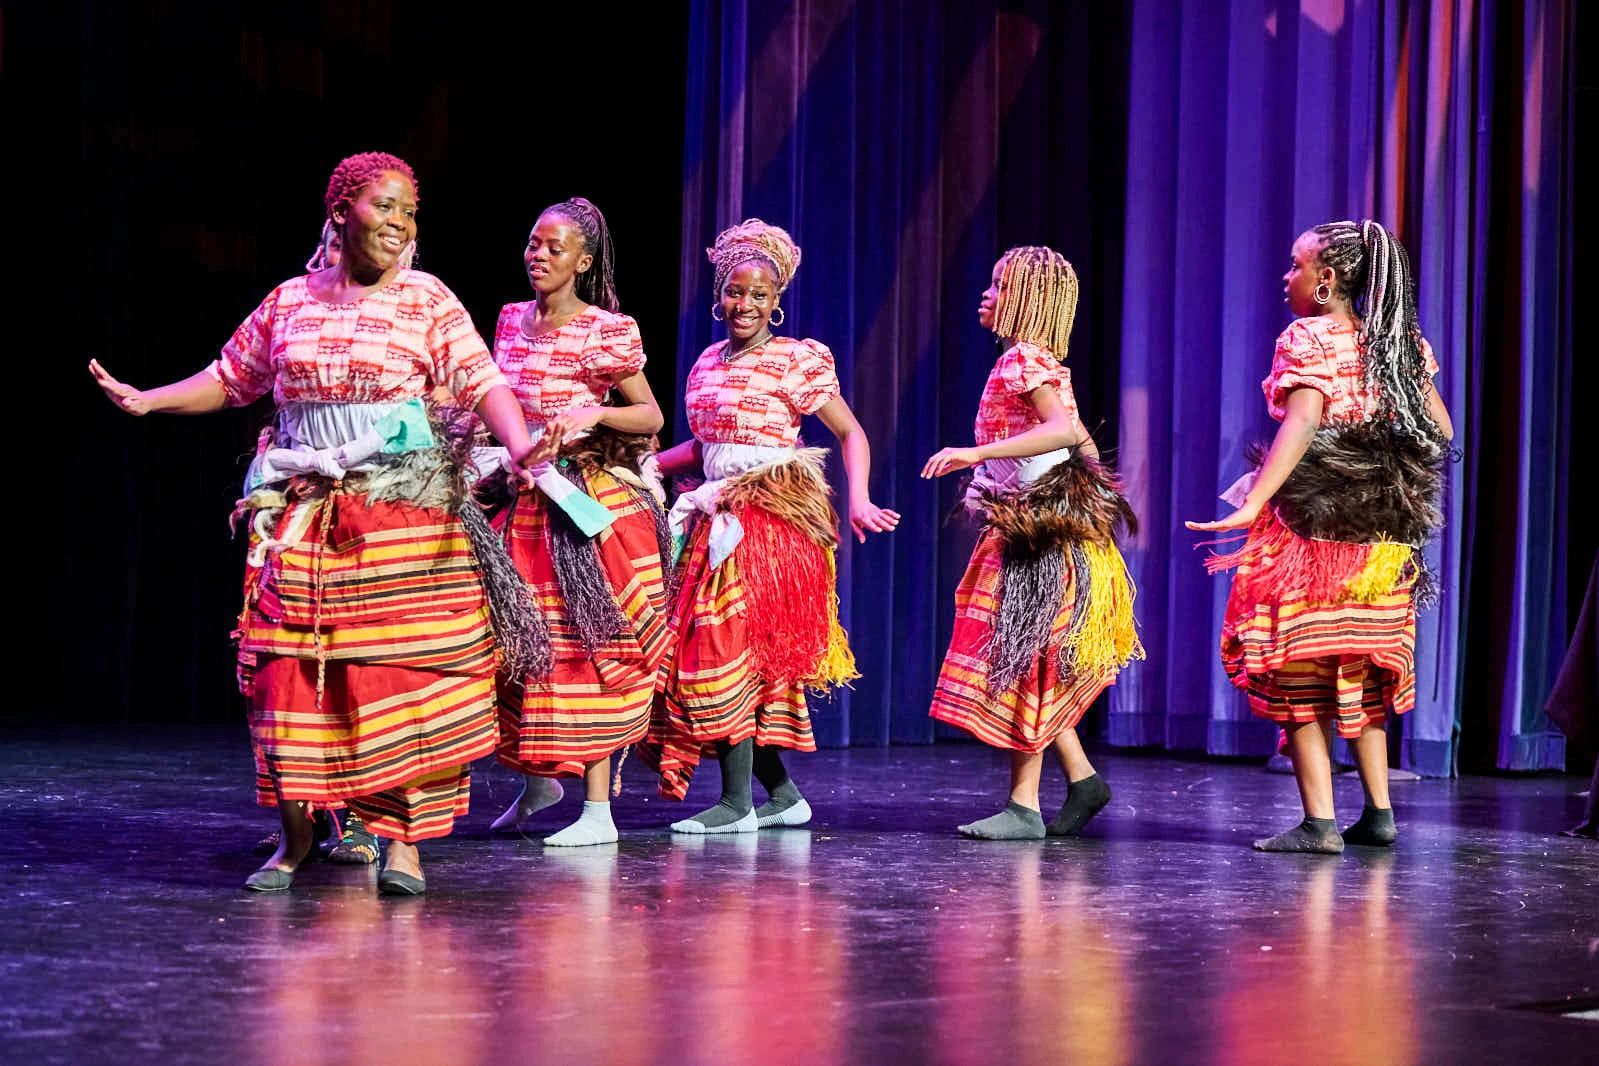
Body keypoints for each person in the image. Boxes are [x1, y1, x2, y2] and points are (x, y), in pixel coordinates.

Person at [90, 151, 545, 893]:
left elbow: (482, 380)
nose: (400, 224)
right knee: (287, 673)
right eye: (384, 208)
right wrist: (150, 399)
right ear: (340, 212)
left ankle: (404, 844)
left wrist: (523, 446)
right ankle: (297, 837)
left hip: (400, 509)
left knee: (400, 674)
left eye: (409, 211)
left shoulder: (427, 299)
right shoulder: (289, 300)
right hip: (303, 509)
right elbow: (231, 377)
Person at [1187, 219, 1454, 853]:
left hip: (1313, 540)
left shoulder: (1307, 336)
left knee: (1296, 669)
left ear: (1326, 279)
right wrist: (1380, 453)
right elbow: (1440, 431)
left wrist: (1254, 500)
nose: (1288, 277)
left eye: (1295, 265)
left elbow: (1303, 420)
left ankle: (1320, 823)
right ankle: (1380, 813)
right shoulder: (1401, 345)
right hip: (1380, 545)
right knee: (1358, 669)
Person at [643, 218, 898, 833]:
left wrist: (858, 499)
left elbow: (849, 431)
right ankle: (781, 794)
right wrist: (649, 461)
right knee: (718, 653)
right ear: (720, 293)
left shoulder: (796, 361)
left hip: (769, 519)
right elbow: (707, 445)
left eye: (759, 295)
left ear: (776, 301)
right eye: (736, 291)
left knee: (729, 647)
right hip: (712, 513)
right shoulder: (705, 363)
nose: (745, 304)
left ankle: (738, 805)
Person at [923, 246, 1142, 840]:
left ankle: (1024, 806)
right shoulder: (1033, 362)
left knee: (1022, 655)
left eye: (999, 286)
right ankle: (1081, 778)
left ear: (1025, 300)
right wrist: (1088, 504)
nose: (985, 294)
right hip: (1036, 529)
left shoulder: (1021, 359)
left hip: (1040, 542)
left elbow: (1067, 430)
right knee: (1026, 655)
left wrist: (978, 455)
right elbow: (1085, 451)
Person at [485, 198, 671, 846]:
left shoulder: (607, 330)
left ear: (582, 261)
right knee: (520, 647)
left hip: (580, 505)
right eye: (532, 243)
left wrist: (594, 414)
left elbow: (649, 416)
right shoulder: (511, 320)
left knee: (588, 648)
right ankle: (539, 780)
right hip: (521, 502)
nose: (538, 255)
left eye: (553, 247)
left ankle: (599, 813)